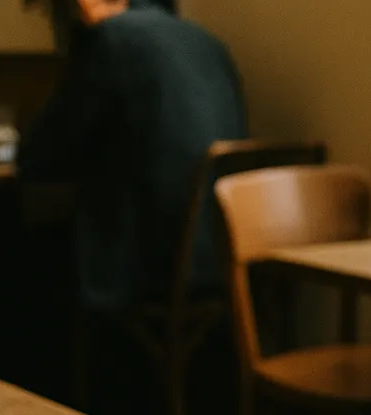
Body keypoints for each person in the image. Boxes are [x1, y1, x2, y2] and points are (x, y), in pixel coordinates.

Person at [17, 0, 247, 313]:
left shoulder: (110, 39)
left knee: (14, 231)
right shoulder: (206, 41)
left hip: (152, 266)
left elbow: (40, 154)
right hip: (224, 255)